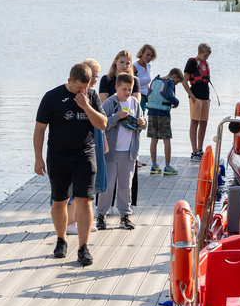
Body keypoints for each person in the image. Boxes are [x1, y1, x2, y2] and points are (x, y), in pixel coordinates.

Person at [34, 62, 107, 266]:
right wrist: (38, 158)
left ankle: (83, 247)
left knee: (85, 200)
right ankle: (61, 239)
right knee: (60, 201)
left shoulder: (90, 96)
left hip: (85, 154)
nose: (82, 91)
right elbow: (40, 129)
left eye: (86, 87)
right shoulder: (52, 97)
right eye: (78, 87)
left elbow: (102, 124)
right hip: (58, 156)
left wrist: (85, 105)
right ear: (69, 81)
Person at [96, 72, 147, 231]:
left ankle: (125, 215)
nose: (127, 92)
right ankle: (101, 215)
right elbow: (102, 124)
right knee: (108, 185)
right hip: (110, 152)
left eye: (130, 89)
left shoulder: (135, 103)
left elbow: (143, 125)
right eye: (124, 89)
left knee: (126, 185)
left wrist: (142, 122)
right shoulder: (110, 103)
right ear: (117, 87)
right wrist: (116, 116)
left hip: (129, 152)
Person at [67, 58, 106, 236]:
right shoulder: (72, 94)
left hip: (92, 140)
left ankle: (82, 221)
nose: (95, 80)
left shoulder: (92, 95)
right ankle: (70, 222)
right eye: (93, 76)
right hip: (72, 147)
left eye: (96, 76)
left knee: (87, 186)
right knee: (73, 187)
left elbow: (102, 120)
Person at [147, 68, 182, 175]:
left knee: (154, 139)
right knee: (166, 140)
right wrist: (176, 102)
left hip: (152, 112)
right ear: (174, 77)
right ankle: (167, 166)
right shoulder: (170, 82)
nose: (176, 84)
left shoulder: (156, 79)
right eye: (177, 82)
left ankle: (154, 166)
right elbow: (169, 96)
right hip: (163, 114)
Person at [182, 43, 212, 161]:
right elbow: (184, 82)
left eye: (208, 56)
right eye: (205, 56)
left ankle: (200, 149)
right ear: (199, 53)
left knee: (204, 122)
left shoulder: (205, 63)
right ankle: (194, 151)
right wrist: (191, 96)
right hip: (196, 96)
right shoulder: (191, 63)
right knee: (194, 122)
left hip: (205, 96)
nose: (206, 58)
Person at [133, 44, 156, 112]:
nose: (149, 57)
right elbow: (132, 84)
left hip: (146, 95)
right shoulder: (134, 67)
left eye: (151, 56)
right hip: (137, 95)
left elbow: (146, 83)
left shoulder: (148, 66)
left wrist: (152, 94)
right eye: (147, 55)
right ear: (142, 54)